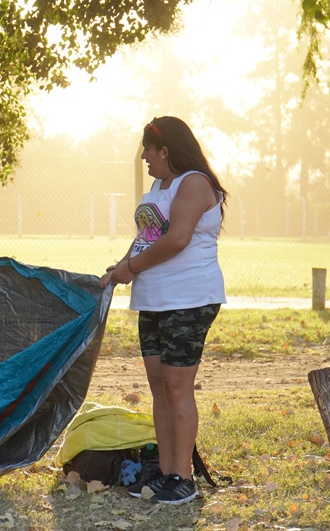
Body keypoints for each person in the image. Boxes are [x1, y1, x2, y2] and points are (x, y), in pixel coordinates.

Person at [99, 116, 227, 505]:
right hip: (152, 300)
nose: (144, 157)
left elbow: (177, 240)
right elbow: (145, 238)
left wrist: (131, 268)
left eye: (148, 150)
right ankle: (165, 472)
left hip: (189, 299)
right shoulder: (159, 185)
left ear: (166, 149)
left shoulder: (195, 182)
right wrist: (120, 269)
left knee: (176, 386)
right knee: (158, 387)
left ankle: (182, 478)